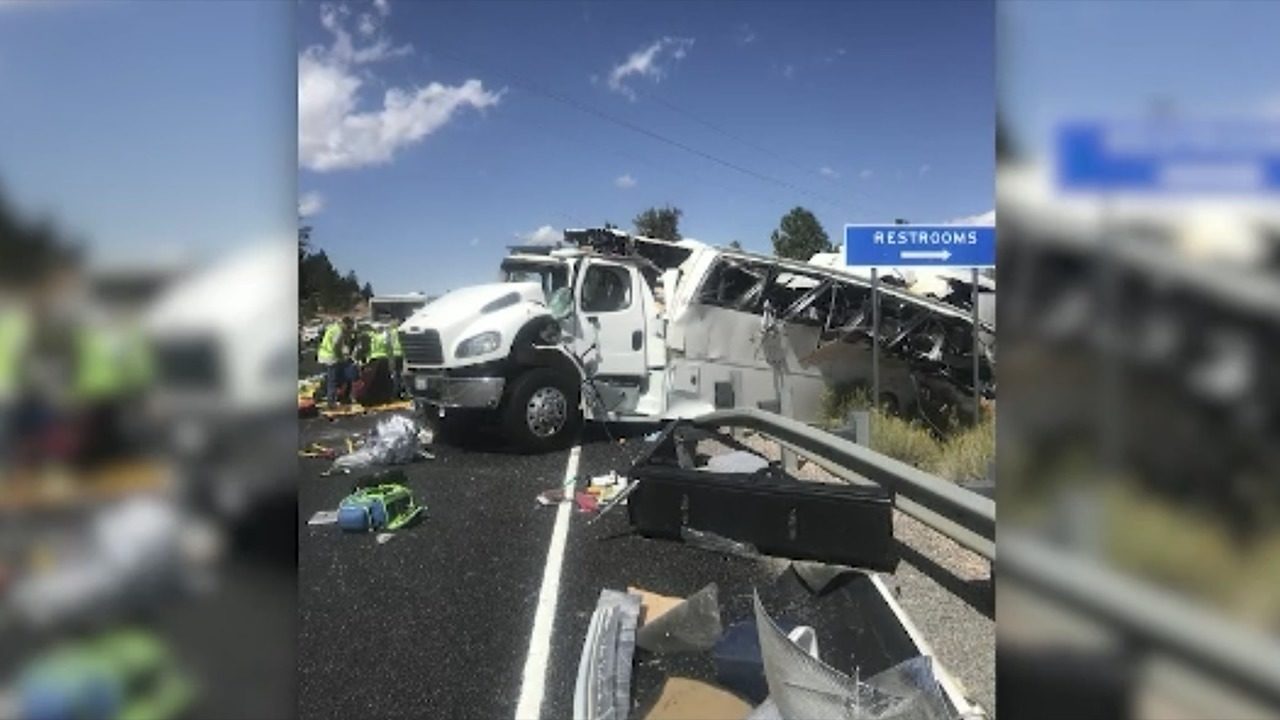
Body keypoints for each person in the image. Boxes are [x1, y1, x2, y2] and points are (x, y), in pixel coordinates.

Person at [317, 317, 355, 407]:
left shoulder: (334, 328)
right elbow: (336, 347)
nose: (350, 329)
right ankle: (332, 402)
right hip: (331, 357)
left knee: (330, 379)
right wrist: (342, 357)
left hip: (324, 355)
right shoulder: (339, 331)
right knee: (333, 380)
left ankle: (320, 394)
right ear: (345, 324)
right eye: (349, 326)